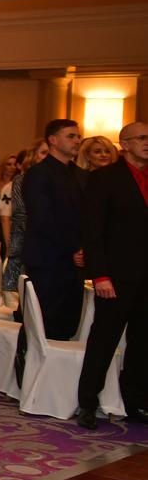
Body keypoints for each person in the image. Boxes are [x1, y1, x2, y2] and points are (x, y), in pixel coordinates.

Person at [76, 121, 148, 429]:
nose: (147, 142)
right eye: (142, 138)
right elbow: (93, 231)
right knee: (104, 340)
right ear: (125, 144)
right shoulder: (104, 178)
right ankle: (87, 403)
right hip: (116, 276)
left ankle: (136, 402)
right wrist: (101, 275)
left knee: (143, 343)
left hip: (146, 277)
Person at [20, 119, 85, 342]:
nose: (77, 141)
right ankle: (27, 364)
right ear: (53, 140)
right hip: (47, 260)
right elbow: (42, 218)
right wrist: (73, 247)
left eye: (78, 136)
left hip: (73, 262)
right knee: (41, 325)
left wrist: (82, 247)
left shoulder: (78, 174)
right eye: (71, 136)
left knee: (67, 324)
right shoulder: (39, 174)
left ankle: (57, 365)